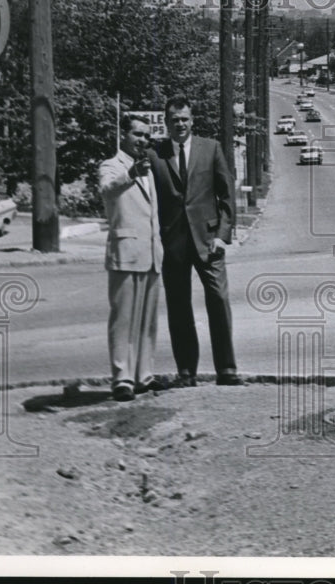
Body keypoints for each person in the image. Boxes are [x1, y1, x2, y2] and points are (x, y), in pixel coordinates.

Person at [148, 95, 242, 387]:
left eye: (185, 119)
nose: (180, 125)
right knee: (179, 307)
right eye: (174, 120)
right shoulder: (155, 154)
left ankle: (226, 369)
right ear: (166, 123)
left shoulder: (210, 148)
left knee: (218, 301)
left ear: (192, 120)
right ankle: (186, 372)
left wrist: (222, 236)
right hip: (172, 243)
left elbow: (226, 195)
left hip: (209, 241)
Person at [98, 115, 163, 401]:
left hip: (150, 253)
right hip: (125, 251)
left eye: (147, 136)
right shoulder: (112, 166)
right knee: (123, 318)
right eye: (137, 134)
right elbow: (107, 189)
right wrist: (131, 174)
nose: (143, 141)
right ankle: (121, 378)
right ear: (123, 135)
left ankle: (143, 376)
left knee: (148, 320)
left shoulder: (149, 169)